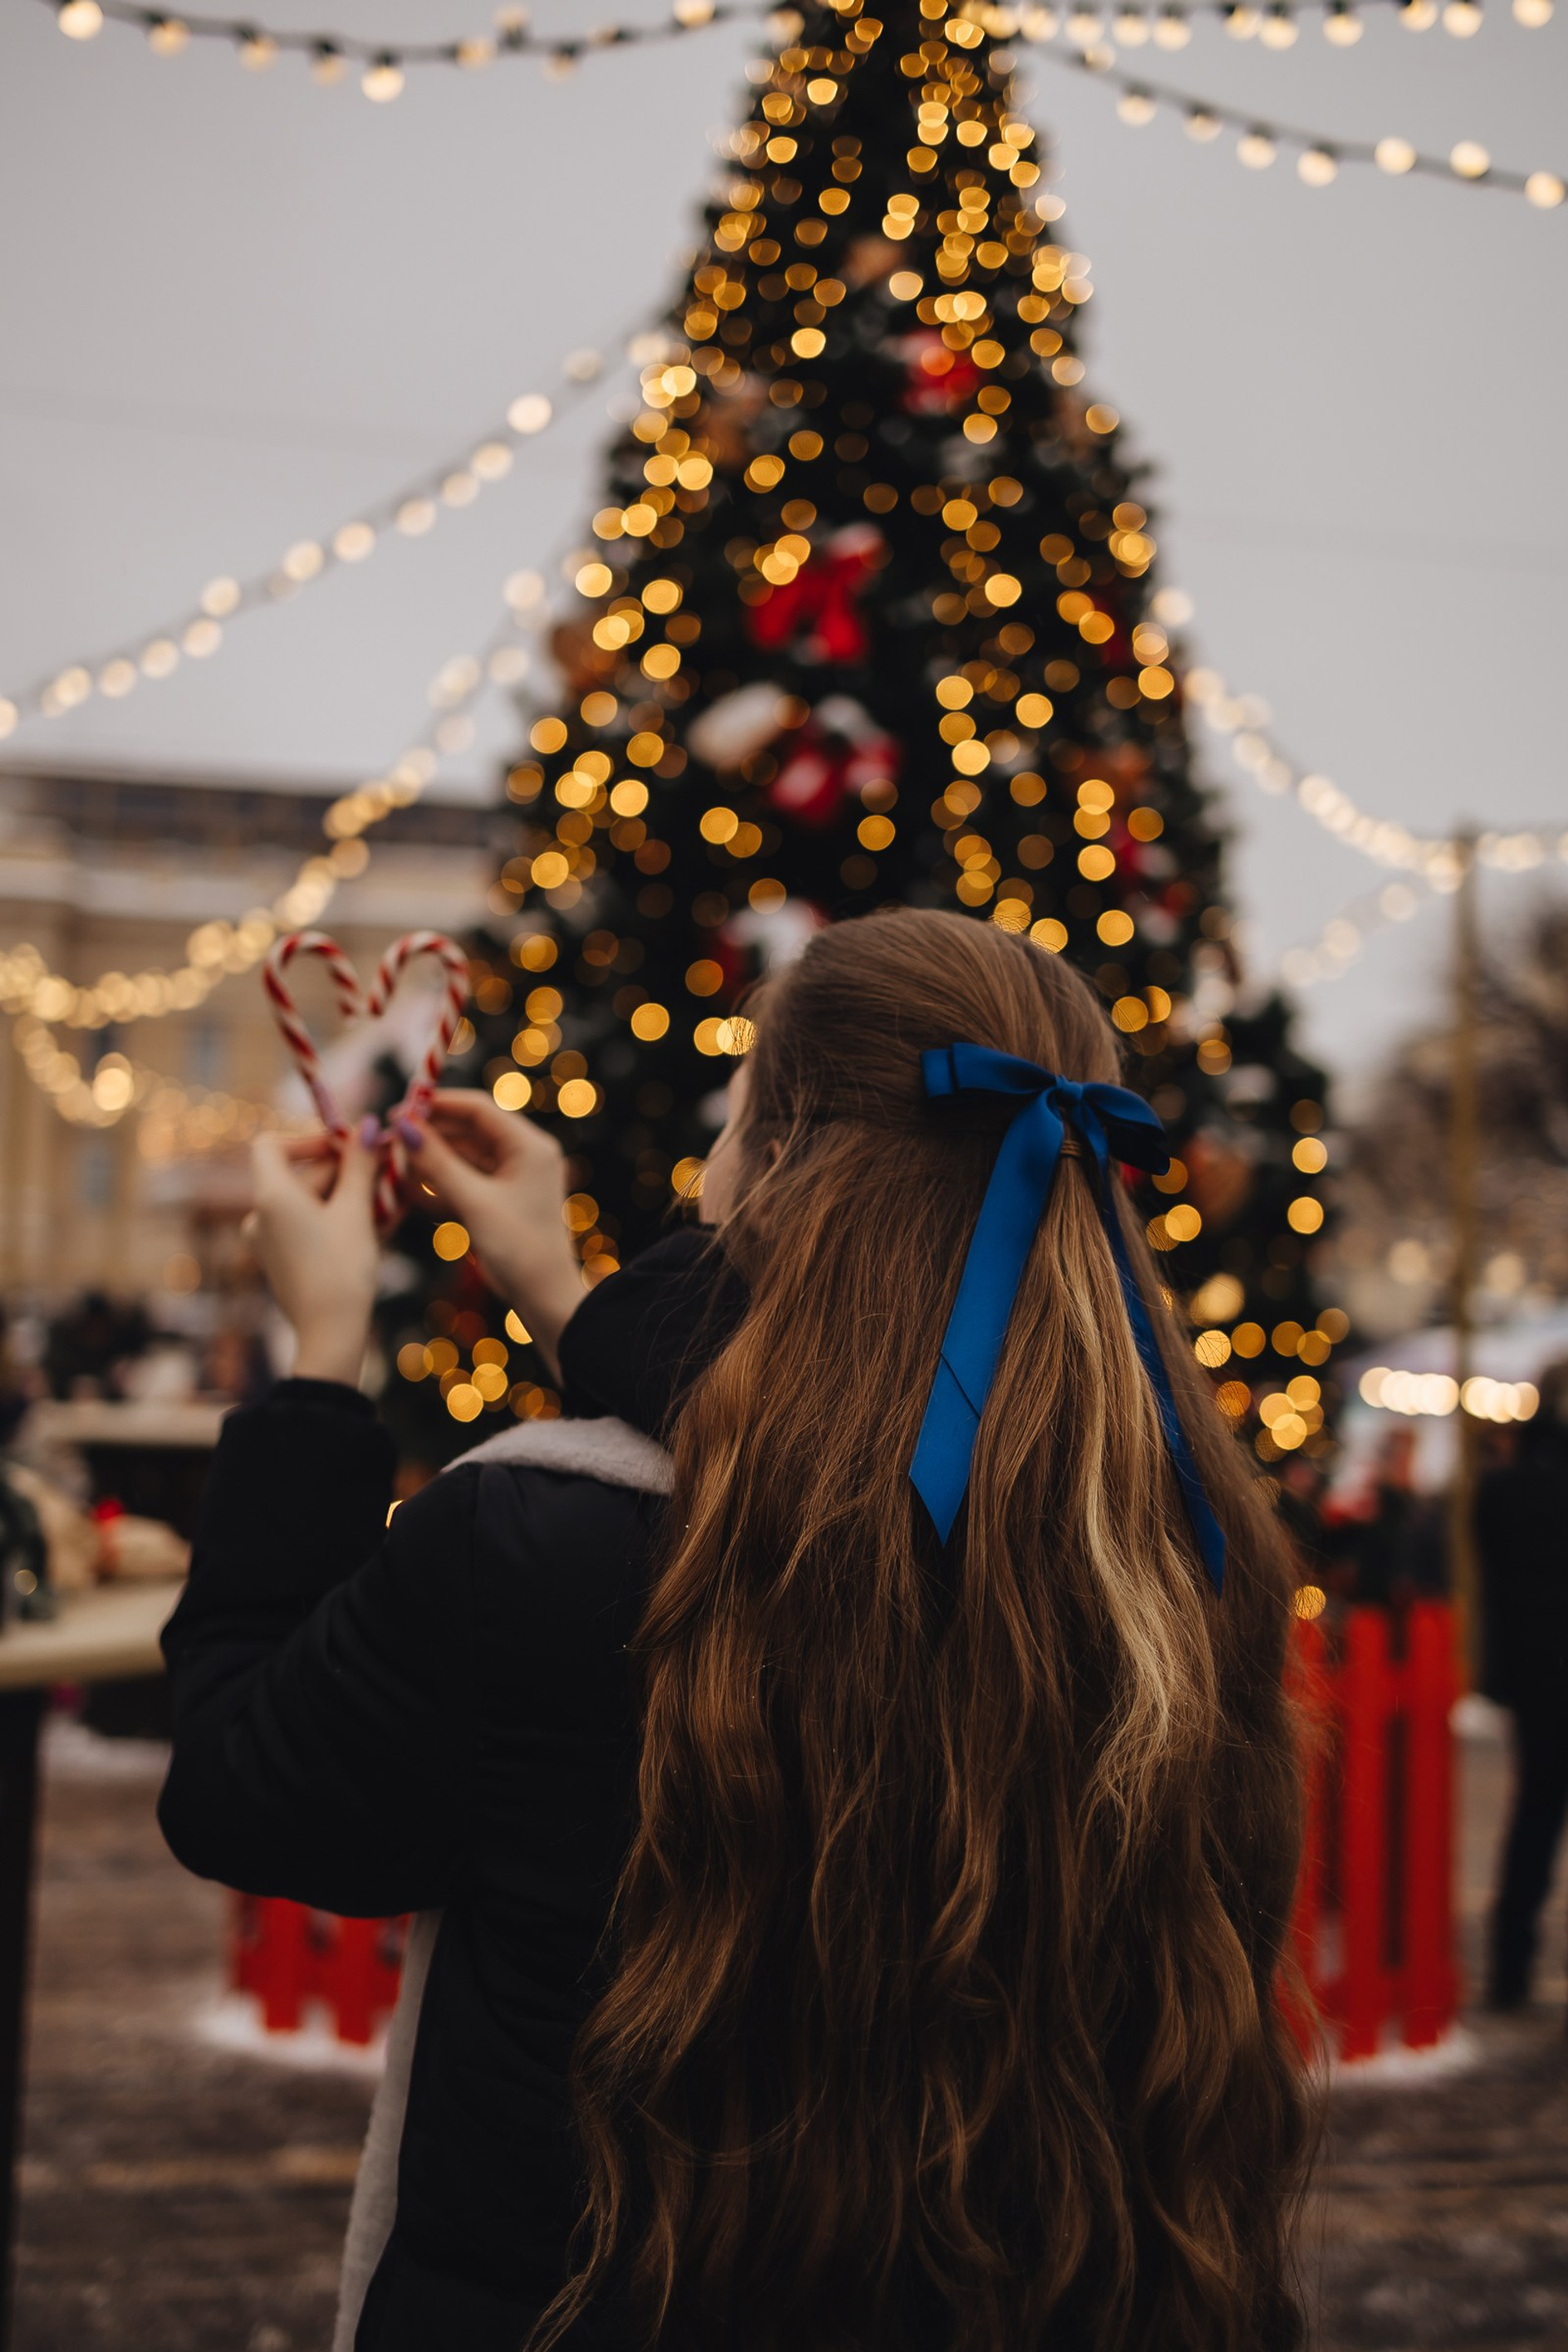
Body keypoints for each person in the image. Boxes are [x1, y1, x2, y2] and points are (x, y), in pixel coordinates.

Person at [158, 908, 1312, 2352]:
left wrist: (319, 1366)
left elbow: (242, 1787)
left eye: (735, 1110)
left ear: (770, 1165)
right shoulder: (1178, 1555)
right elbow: (827, 1450)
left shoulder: (540, 1547)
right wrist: (563, 1296)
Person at [1477, 1358, 1568, 2012]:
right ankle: (1510, 1966)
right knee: (1535, 1816)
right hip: (1544, 1675)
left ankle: (1510, 1969)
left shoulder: (1503, 1489)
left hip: (1535, 1679)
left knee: (1534, 1815)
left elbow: (1496, 1593)